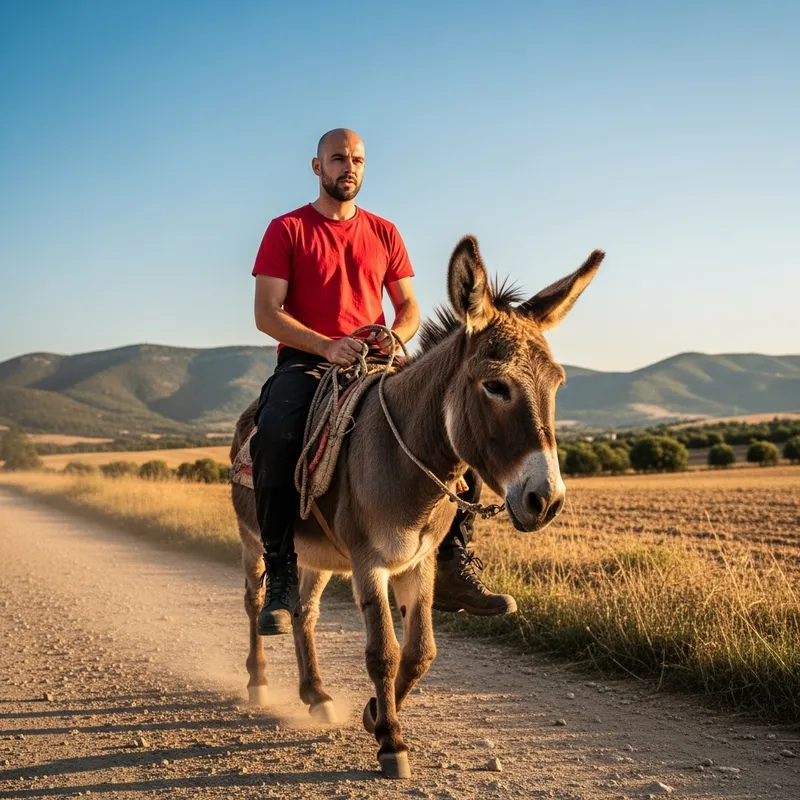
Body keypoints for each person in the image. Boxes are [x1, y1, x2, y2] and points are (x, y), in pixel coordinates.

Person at [249, 128, 517, 635]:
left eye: (357, 160)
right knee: (277, 434)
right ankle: (281, 572)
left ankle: (456, 560)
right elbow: (267, 313)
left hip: (377, 359)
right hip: (309, 362)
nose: (347, 168)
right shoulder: (286, 229)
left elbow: (410, 306)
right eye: (337, 159)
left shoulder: (385, 232)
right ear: (316, 167)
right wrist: (327, 345)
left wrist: (395, 338)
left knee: (460, 423)